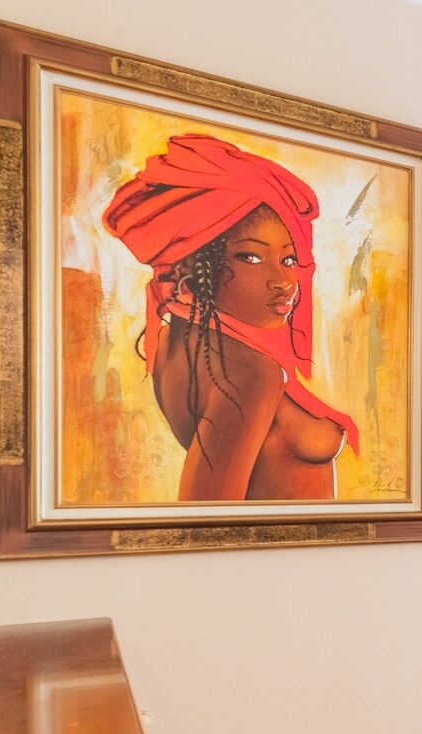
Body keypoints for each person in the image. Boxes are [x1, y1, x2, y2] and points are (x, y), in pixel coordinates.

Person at [103, 135, 359, 501]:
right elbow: (205, 513)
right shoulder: (251, 373)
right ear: (198, 262)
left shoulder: (174, 339)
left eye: (289, 259)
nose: (283, 281)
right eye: (251, 257)